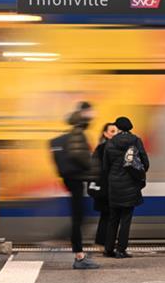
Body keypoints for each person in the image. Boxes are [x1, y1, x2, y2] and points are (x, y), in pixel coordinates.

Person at [103, 116, 149, 258]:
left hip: (114, 185)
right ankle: (121, 250)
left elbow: (105, 167)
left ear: (117, 127)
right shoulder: (136, 141)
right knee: (126, 220)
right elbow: (145, 163)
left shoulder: (110, 143)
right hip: (130, 185)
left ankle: (108, 249)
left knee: (113, 219)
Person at [62, 102, 100, 269]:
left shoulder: (77, 131)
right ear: (84, 113)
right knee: (79, 218)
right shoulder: (78, 133)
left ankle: (79, 253)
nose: (93, 115)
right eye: (90, 112)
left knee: (80, 217)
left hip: (75, 180)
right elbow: (79, 155)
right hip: (76, 180)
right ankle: (79, 257)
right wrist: (94, 168)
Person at [91, 122, 118, 250]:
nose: (115, 133)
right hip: (106, 188)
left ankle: (102, 242)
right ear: (105, 134)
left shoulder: (101, 148)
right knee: (109, 216)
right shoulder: (104, 148)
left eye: (117, 131)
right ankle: (104, 243)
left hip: (107, 188)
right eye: (112, 131)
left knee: (106, 216)